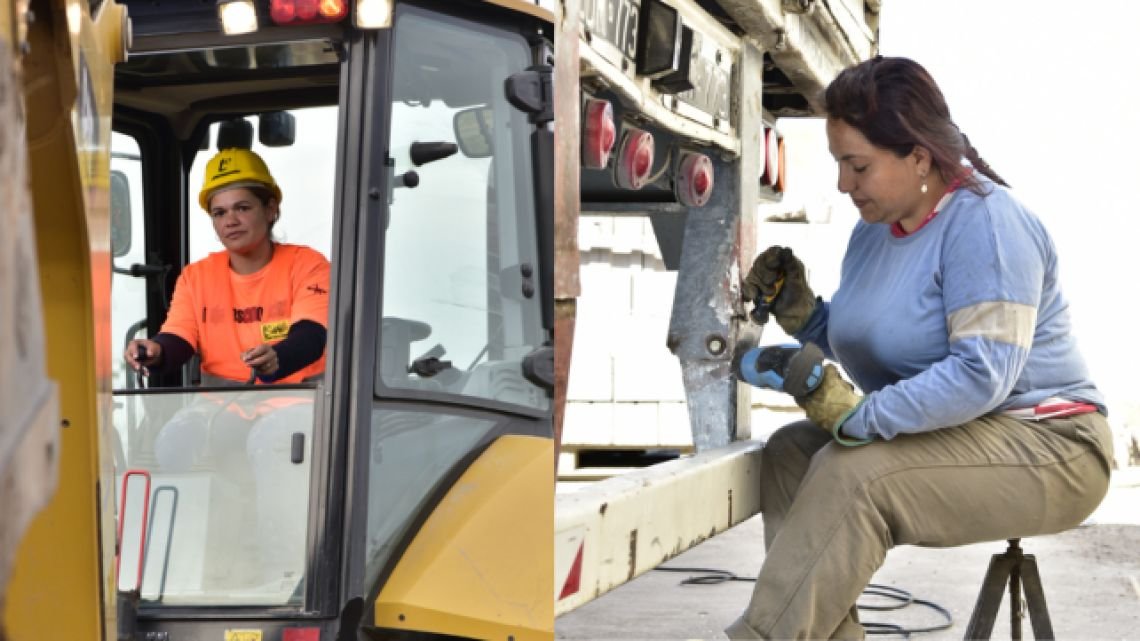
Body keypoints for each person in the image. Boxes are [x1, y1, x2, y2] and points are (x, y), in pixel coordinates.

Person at [728, 56, 1113, 640]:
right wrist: (805, 317)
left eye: (857, 165)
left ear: (918, 155)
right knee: (791, 455)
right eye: (839, 164)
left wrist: (862, 419)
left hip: (1051, 443)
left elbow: (982, 374)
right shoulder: (873, 231)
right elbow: (888, 345)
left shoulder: (985, 224)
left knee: (854, 474)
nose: (842, 184)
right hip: (963, 431)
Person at [124, 147, 330, 385]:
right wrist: (156, 350)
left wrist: (277, 358)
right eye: (219, 213)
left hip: (294, 403)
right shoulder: (196, 277)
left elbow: (312, 335)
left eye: (242, 208)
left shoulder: (308, 265)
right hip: (216, 408)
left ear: (270, 209)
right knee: (171, 426)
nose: (230, 221)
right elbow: (180, 336)